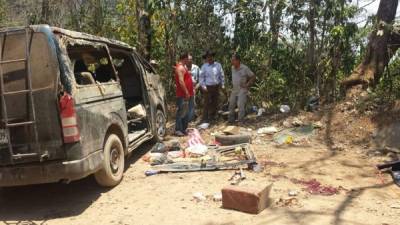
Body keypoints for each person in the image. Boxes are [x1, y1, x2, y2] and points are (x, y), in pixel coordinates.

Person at [228, 53, 256, 124]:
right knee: (231, 104)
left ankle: (240, 121)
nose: (232, 61)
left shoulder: (245, 68)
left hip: (242, 89)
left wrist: (247, 84)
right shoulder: (232, 68)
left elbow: (253, 76)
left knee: (240, 105)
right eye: (232, 60)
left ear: (238, 60)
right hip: (234, 89)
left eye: (233, 60)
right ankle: (231, 121)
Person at [199, 50, 225, 123]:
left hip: (216, 87)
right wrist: (203, 86)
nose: (209, 58)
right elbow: (201, 78)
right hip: (208, 87)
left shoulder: (218, 65)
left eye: (211, 56)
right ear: (206, 58)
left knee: (215, 102)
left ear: (213, 57)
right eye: (208, 57)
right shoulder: (204, 67)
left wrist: (222, 84)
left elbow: (221, 75)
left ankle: (214, 118)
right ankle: (205, 119)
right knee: (207, 103)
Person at [174, 52, 195, 136]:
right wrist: (186, 92)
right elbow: (181, 81)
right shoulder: (179, 68)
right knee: (181, 111)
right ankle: (178, 129)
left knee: (186, 112)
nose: (188, 61)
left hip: (187, 94)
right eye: (187, 59)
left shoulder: (183, 67)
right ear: (185, 58)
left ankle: (183, 129)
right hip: (182, 94)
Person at [186, 54, 200, 121]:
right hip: (185, 88)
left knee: (192, 103)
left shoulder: (196, 68)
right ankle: (188, 118)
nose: (189, 61)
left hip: (194, 88)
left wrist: (197, 87)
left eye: (191, 59)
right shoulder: (183, 67)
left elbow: (201, 79)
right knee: (186, 104)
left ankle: (191, 119)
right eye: (188, 59)